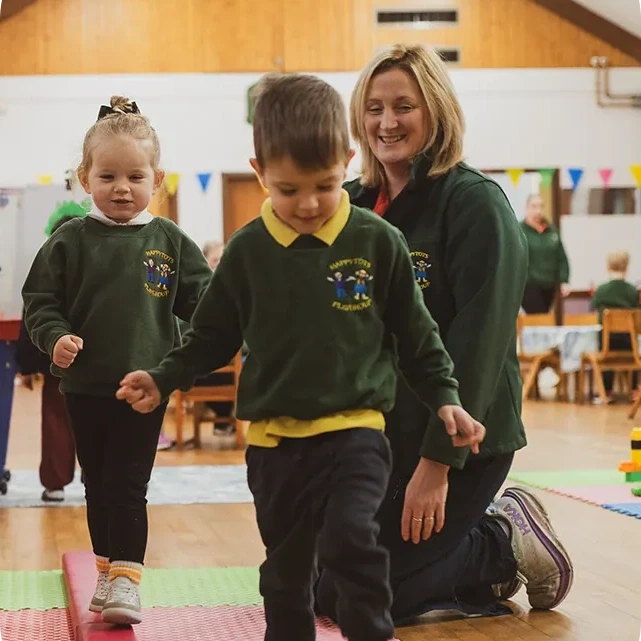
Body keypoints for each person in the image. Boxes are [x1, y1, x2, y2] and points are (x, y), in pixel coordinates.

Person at [116, 73, 486, 641]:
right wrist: (163, 378)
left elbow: (417, 335)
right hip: (274, 443)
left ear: (347, 159)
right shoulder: (246, 252)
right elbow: (210, 336)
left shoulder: (377, 241)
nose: (309, 204)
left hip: (356, 430)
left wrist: (446, 399)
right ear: (261, 171)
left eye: (326, 185)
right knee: (286, 573)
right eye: (288, 190)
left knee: (349, 543)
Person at [313, 44, 573, 626]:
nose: (387, 122)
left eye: (404, 106)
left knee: (372, 598)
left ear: (435, 110)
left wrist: (439, 463)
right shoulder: (349, 206)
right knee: (315, 587)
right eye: (374, 108)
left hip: (462, 439)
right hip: (379, 440)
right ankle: (480, 550)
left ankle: (503, 538)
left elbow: (479, 347)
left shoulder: (474, 203)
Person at [21, 96, 212, 625]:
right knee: (97, 483)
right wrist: (54, 336)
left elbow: (208, 307)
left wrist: (183, 362)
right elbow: (41, 302)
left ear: (158, 179)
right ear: (85, 177)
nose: (122, 187)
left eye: (135, 175)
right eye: (107, 175)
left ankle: (128, 579)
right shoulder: (69, 241)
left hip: (144, 387)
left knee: (129, 483)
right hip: (84, 388)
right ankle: (106, 570)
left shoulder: (170, 242)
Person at [15, 205, 87, 502]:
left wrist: (28, 364)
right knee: (97, 420)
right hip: (93, 358)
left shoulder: (46, 269)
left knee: (57, 418)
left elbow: (32, 315)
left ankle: (55, 483)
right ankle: (93, 476)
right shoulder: (95, 268)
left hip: (55, 358)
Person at [590, 250, 640, 401]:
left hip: (608, 340)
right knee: (634, 350)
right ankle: (633, 390)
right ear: (627, 267)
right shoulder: (632, 290)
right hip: (628, 341)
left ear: (608, 267)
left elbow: (595, 307)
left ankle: (607, 390)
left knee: (603, 355)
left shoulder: (602, 289)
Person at [520, 194, 571, 314]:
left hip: (549, 286)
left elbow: (561, 257)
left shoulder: (551, 231)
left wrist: (564, 280)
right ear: (527, 208)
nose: (538, 211)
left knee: (544, 316)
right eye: (534, 206)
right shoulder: (520, 230)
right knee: (537, 316)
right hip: (529, 286)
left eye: (541, 207)